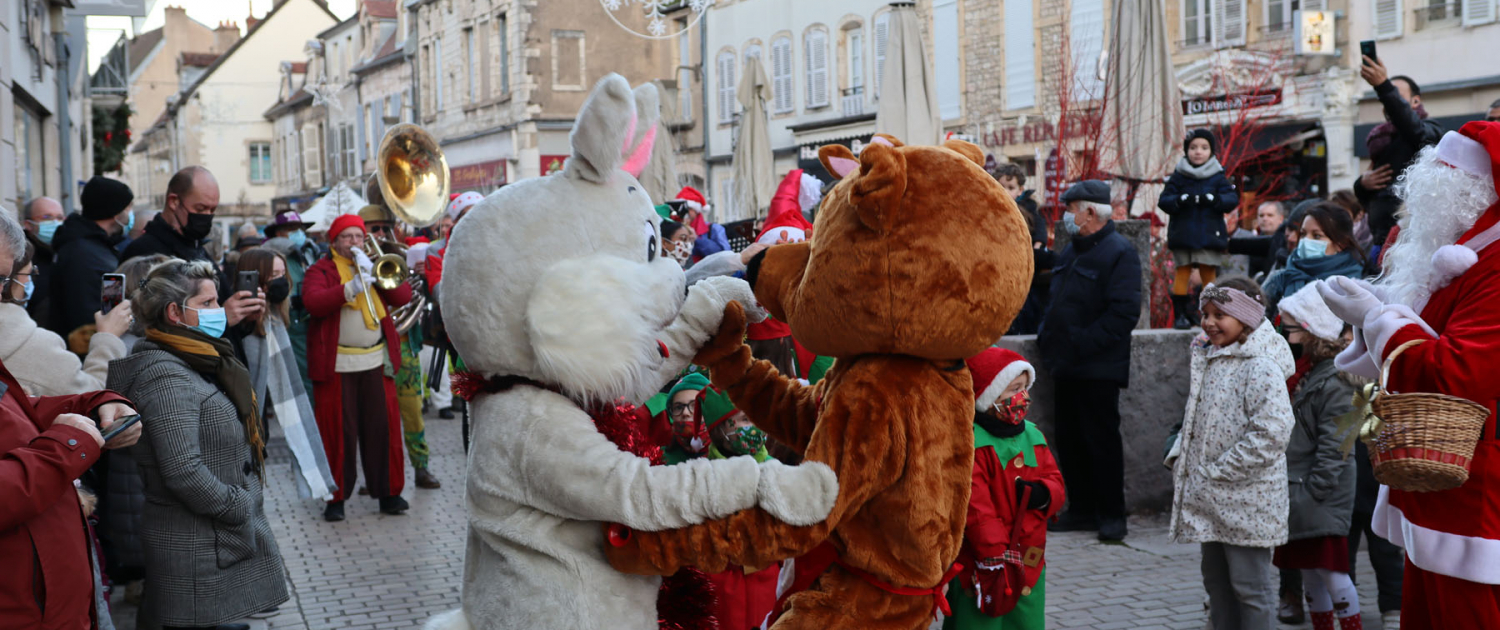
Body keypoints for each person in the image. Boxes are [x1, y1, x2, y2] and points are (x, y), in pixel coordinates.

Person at [1318, 123, 1500, 629]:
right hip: (1444, 475)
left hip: (1478, 484)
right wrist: (1378, 309)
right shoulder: (1466, 250)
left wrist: (1378, 319)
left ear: (1468, 190)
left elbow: (1457, 369)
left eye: (1437, 181)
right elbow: (1430, 331)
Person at [106, 258, 289, 629]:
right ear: (174, 313)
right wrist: (237, 504)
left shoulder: (196, 358)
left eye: (216, 300)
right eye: (207, 303)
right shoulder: (166, 376)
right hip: (192, 541)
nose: (218, 310)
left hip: (206, 537)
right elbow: (182, 470)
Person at [0, 207, 142, 630]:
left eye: (4, 280)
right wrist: (66, 446)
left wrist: (95, 403)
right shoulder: (24, 338)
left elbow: (19, 409)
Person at [1167, 276, 1295, 630]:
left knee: (1250, 589)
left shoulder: (1260, 366)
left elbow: (1271, 433)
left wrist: (1217, 471)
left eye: (1219, 315)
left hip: (1246, 502)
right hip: (1212, 499)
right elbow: (1196, 419)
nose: (1209, 323)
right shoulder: (1212, 358)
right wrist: (1180, 456)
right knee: (1217, 585)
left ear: (1247, 318)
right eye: (1205, 314)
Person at [1036, 179, 1141, 542]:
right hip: (1065, 365)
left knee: (1101, 442)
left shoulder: (1119, 252)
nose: (1066, 216)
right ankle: (1081, 510)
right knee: (1070, 440)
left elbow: (1123, 314)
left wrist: (1081, 343)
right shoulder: (1071, 251)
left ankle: (1112, 516)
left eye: (1070, 210)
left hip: (1098, 367)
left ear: (1090, 212)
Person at [303, 214, 414, 521]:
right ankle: (335, 498)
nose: (354, 242)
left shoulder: (373, 264)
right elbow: (313, 302)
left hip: (376, 362)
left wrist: (377, 271)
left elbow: (403, 296)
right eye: (347, 237)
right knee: (338, 433)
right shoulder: (320, 270)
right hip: (337, 364)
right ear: (334, 241)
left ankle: (389, 494)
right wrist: (351, 287)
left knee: (383, 429)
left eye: (358, 236)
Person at [945, 348, 1064, 630]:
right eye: (1013, 389)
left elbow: (1055, 479)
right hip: (984, 564)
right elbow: (976, 508)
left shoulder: (1032, 434)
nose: (1022, 396)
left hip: (1029, 559)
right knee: (979, 622)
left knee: (1026, 621)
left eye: (1024, 388)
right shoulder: (971, 443)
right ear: (989, 397)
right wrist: (995, 557)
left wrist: (1044, 494)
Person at [1274, 284, 1363, 630]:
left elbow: (1338, 444)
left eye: (1291, 328)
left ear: (1312, 331)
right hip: (1304, 491)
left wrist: (1315, 489)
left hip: (1319, 493)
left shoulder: (1338, 381)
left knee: (1332, 573)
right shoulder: (1311, 373)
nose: (1286, 335)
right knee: (1311, 572)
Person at [236, 247, 337, 502]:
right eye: (273, 276)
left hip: (259, 428)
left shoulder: (274, 318)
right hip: (240, 429)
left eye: (283, 274)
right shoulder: (240, 327)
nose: (280, 281)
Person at [0, 242, 131, 396]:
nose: (29, 282)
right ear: (9, 280)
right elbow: (93, 396)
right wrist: (108, 337)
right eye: (29, 274)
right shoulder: (37, 346)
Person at [1355, 60, 1443, 255]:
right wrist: (1362, 184)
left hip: (1411, 241)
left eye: (1396, 96)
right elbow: (1371, 196)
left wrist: (1383, 87)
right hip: (1380, 240)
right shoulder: (1381, 139)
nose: (1388, 103)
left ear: (1415, 101)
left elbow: (1413, 129)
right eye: (1386, 99)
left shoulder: (1429, 129)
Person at [1160, 129, 1240, 330]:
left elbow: (1232, 199)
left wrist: (1215, 200)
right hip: (1183, 234)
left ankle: (1210, 312)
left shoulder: (1218, 176)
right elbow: (1164, 200)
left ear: (1211, 151)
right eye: (1193, 147)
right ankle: (1181, 315)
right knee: (1182, 272)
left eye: (1204, 147)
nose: (1198, 151)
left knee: (1208, 272)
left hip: (1208, 234)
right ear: (1186, 150)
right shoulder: (1179, 176)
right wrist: (1180, 200)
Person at [49, 176, 134, 337]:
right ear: (115, 212)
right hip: (92, 343)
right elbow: (89, 316)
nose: (130, 213)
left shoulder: (96, 246)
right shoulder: (84, 254)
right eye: (128, 207)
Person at [1262, 202, 1366, 319]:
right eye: (1303, 234)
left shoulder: (1355, 286)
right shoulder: (1282, 278)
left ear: (1341, 243)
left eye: (1317, 236)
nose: (1306, 240)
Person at [996, 163, 1053, 336]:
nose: (1005, 191)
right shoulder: (990, 209)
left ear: (1020, 190)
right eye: (1001, 186)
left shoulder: (1029, 209)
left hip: (1025, 267)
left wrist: (1036, 248)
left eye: (1010, 187)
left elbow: (1039, 233)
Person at [21, 196, 64, 329]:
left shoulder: (66, 252)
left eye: (60, 218)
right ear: (28, 224)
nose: (55, 223)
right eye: (46, 217)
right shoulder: (21, 256)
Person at [674, 186, 732, 260]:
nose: (685, 213)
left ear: (696, 210)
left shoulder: (714, 229)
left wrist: (697, 239)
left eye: (689, 209)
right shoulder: (675, 228)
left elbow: (725, 256)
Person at [1145, 212, 1178, 329]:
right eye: (1155, 226)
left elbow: (1170, 269)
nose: (1158, 229)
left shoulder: (1164, 247)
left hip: (1161, 293)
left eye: (1159, 226)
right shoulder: (1142, 246)